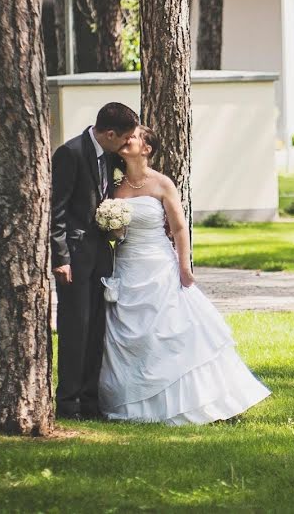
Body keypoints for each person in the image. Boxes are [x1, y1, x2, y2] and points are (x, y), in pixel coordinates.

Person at [99, 125, 270, 424]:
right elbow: (115, 235)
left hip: (159, 265)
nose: (127, 140)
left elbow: (178, 229)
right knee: (132, 333)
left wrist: (184, 267)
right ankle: (136, 404)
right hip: (128, 264)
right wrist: (112, 226)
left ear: (147, 149)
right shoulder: (114, 187)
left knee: (174, 330)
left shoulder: (162, 184)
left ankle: (202, 400)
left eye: (134, 137)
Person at [50, 102, 139, 420]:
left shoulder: (113, 156)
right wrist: (60, 257)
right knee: (76, 329)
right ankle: (68, 401)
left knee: (97, 330)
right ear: (110, 133)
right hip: (74, 259)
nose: (127, 144)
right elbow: (56, 209)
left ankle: (90, 399)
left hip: (101, 256)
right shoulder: (70, 153)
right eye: (124, 138)